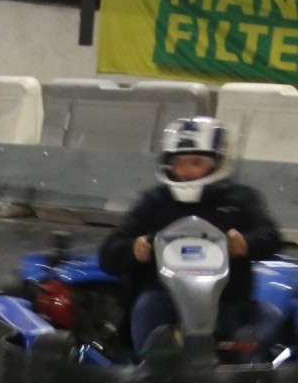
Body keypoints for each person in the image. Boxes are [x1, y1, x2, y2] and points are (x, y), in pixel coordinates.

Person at [98, 116, 286, 354]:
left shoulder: (240, 200)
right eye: (178, 163)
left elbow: (272, 237)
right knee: (148, 305)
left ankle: (240, 357)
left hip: (227, 304)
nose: (185, 171)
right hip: (167, 304)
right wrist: (133, 250)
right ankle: (150, 362)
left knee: (270, 315)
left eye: (195, 162)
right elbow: (108, 254)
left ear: (218, 163)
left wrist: (245, 244)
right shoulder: (154, 203)